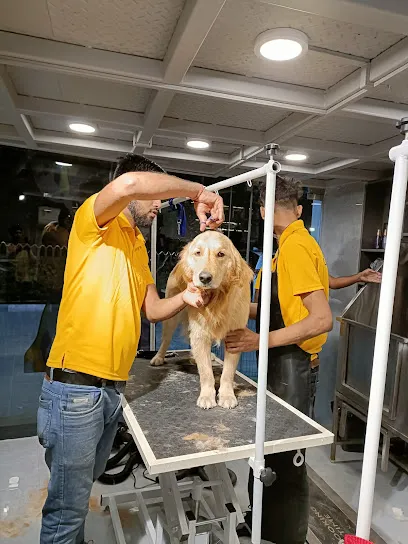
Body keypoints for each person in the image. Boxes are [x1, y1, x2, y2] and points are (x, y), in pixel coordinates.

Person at [37, 154, 224, 544]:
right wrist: (199, 191)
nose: (158, 205)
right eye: (155, 196)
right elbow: (129, 186)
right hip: (76, 389)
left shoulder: (137, 244)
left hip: (109, 390)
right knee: (66, 509)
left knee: (78, 491)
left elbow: (154, 310)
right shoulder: (95, 223)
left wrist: (188, 296)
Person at [225, 175, 332, 544]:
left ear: (262, 211)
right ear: (296, 207)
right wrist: (232, 307)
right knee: (268, 451)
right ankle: (264, 525)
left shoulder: (297, 248)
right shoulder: (284, 248)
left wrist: (258, 341)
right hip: (281, 363)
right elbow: (278, 310)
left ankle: (289, 536)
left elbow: (321, 319)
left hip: (295, 367)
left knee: (288, 460)